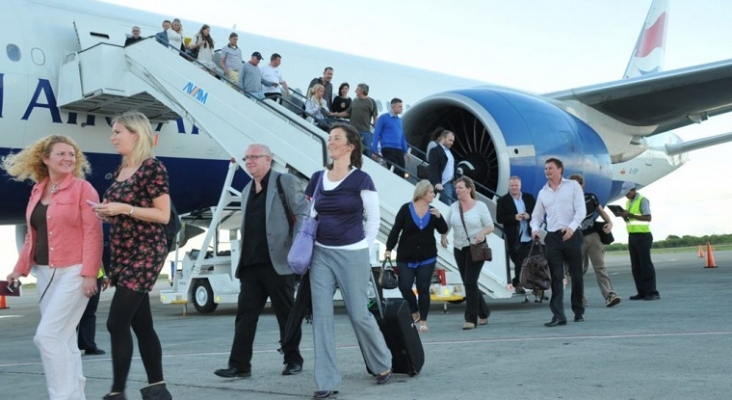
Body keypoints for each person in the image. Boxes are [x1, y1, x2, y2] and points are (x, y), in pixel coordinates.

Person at [2, 134, 103, 400]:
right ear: (45, 159)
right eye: (61, 154)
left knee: (47, 336)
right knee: (65, 341)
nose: (68, 158)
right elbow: (32, 236)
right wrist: (19, 268)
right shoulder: (38, 190)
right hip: (45, 274)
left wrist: (90, 273)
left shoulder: (83, 189)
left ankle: (61, 396)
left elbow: (94, 233)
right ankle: (74, 395)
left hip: (75, 270)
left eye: (72, 154)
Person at [305, 123, 392, 398]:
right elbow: (311, 214)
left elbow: (374, 219)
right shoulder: (318, 178)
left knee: (358, 314)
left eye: (336, 138)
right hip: (321, 254)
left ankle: (382, 363)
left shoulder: (362, 179)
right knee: (321, 317)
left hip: (352, 253)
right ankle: (326, 382)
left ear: (350, 146)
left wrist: (363, 249)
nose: (330, 142)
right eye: (329, 138)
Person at [93, 111, 173, 400]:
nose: (112, 137)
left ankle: (117, 392)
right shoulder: (122, 168)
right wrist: (108, 213)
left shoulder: (153, 168)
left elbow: (162, 215)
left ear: (136, 134)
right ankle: (157, 388)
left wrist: (122, 209)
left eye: (117, 132)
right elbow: (126, 212)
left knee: (116, 322)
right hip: (124, 252)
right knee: (142, 324)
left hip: (146, 251)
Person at [214, 143, 307, 379]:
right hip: (251, 266)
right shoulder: (246, 191)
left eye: (255, 157)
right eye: (246, 158)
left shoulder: (283, 182)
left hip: (278, 263)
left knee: (286, 314)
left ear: (269, 159)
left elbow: (303, 213)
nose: (250, 161)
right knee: (245, 317)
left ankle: (293, 359)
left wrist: (296, 248)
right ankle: (239, 365)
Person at [385, 180, 448, 333]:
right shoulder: (406, 209)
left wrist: (440, 217)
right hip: (406, 256)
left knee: (423, 287)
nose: (434, 194)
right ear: (423, 192)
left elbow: (443, 230)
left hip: (427, 256)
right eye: (431, 192)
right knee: (405, 287)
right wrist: (388, 248)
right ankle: (414, 311)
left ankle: (423, 321)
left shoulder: (433, 211)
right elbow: (396, 230)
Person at [530, 158, 585, 327]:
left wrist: (571, 228)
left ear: (560, 169)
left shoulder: (573, 186)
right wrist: (534, 229)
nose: (547, 171)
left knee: (576, 275)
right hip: (553, 238)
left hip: (572, 235)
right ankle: (558, 315)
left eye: (550, 168)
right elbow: (536, 216)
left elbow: (581, 210)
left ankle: (578, 310)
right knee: (555, 277)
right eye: (545, 168)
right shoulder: (543, 192)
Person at [441, 176, 494, 330]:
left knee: (470, 281)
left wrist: (482, 233)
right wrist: (444, 235)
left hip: (476, 247)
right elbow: (447, 224)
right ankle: (483, 311)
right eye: (456, 188)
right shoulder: (454, 207)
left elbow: (490, 226)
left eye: (460, 188)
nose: (457, 190)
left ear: (469, 189)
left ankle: (471, 319)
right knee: (468, 282)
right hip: (459, 248)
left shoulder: (480, 206)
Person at [568, 174, 621, 307]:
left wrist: (609, 222)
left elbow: (601, 211)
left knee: (600, 267)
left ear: (582, 185)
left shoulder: (590, 197)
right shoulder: (566, 202)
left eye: (578, 184)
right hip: (576, 239)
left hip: (593, 237)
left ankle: (609, 294)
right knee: (577, 271)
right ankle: (581, 298)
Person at [619, 181, 660, 301]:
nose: (626, 195)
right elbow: (631, 220)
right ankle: (641, 292)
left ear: (633, 190)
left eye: (627, 193)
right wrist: (625, 217)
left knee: (645, 265)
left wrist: (630, 215)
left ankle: (652, 292)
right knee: (636, 266)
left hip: (643, 236)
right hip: (632, 235)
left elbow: (648, 217)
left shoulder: (642, 200)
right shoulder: (628, 202)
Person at [495, 175, 535, 294]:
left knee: (530, 261)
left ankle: (526, 283)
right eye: (512, 185)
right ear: (509, 186)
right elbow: (499, 218)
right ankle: (519, 283)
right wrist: (514, 217)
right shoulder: (502, 201)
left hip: (528, 235)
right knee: (519, 261)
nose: (514, 188)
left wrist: (529, 216)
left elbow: (537, 213)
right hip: (513, 237)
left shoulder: (529, 198)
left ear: (520, 185)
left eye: (516, 185)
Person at [331, 83, 378, 157]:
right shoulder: (355, 101)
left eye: (357, 89)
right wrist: (334, 114)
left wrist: (376, 129)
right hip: (352, 130)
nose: (355, 91)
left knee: (367, 151)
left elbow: (375, 116)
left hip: (364, 131)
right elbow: (347, 113)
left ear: (362, 90)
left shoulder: (371, 102)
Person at [371, 98, 410, 176]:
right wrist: (374, 150)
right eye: (400, 106)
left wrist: (406, 151)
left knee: (402, 173)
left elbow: (402, 136)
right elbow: (376, 133)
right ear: (393, 106)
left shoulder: (399, 120)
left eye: (401, 106)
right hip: (388, 148)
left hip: (399, 150)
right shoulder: (383, 118)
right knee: (395, 171)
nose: (401, 108)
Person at [77, 267, 108, 356]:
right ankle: (68, 344)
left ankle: (89, 345)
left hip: (95, 275)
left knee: (90, 311)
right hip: (77, 275)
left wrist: (104, 275)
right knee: (72, 312)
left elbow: (98, 256)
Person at [427, 129, 456, 205]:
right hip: (444, 183)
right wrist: (437, 183)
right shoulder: (435, 150)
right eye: (450, 140)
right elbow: (433, 168)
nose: (452, 143)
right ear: (443, 138)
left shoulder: (449, 152)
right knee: (448, 205)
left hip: (452, 183)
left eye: (453, 141)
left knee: (457, 206)